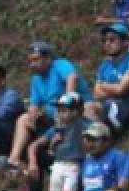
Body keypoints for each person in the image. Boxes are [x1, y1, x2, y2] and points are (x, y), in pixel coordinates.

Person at [8, 42, 92, 172]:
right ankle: (14, 159)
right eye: (30, 61)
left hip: (74, 111)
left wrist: (68, 103)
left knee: (88, 109)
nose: (32, 64)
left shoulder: (60, 65)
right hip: (52, 117)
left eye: (36, 60)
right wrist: (33, 113)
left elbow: (72, 77)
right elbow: (34, 103)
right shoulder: (36, 79)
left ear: (48, 58)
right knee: (24, 119)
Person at [92, 23, 129, 134]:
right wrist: (115, 89)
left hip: (128, 106)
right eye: (105, 40)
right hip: (109, 105)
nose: (107, 43)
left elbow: (121, 89)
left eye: (112, 40)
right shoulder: (104, 65)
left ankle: (103, 137)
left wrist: (103, 86)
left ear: (126, 42)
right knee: (88, 107)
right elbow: (96, 93)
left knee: (104, 107)